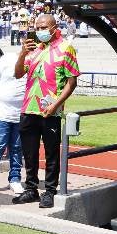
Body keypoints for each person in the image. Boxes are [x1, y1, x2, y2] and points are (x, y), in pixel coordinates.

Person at [13, 13, 79, 209]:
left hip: (51, 111)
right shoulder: (33, 49)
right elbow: (18, 74)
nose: (40, 30)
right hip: (28, 108)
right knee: (29, 152)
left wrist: (56, 105)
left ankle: (49, 191)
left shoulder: (66, 48)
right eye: (37, 27)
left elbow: (72, 82)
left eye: (43, 27)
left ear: (53, 27)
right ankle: (31, 189)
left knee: (51, 153)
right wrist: (22, 54)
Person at [0, 49, 26, 196]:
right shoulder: (7, 58)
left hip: (22, 114)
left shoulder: (36, 59)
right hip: (2, 113)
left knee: (17, 148)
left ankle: (15, 179)